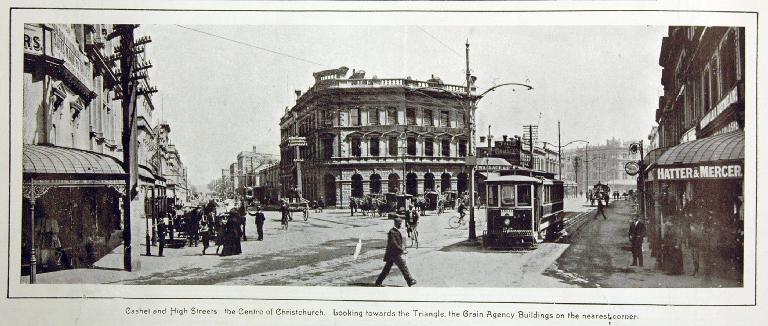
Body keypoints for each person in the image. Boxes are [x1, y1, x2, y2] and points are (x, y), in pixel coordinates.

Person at [374, 217, 416, 287]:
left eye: (400, 223)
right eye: (398, 223)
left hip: (392, 253)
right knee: (403, 266)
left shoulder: (396, 231)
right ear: (395, 223)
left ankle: (378, 282)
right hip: (394, 253)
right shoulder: (392, 232)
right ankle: (410, 280)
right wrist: (402, 250)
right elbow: (393, 243)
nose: (400, 224)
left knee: (386, 269)